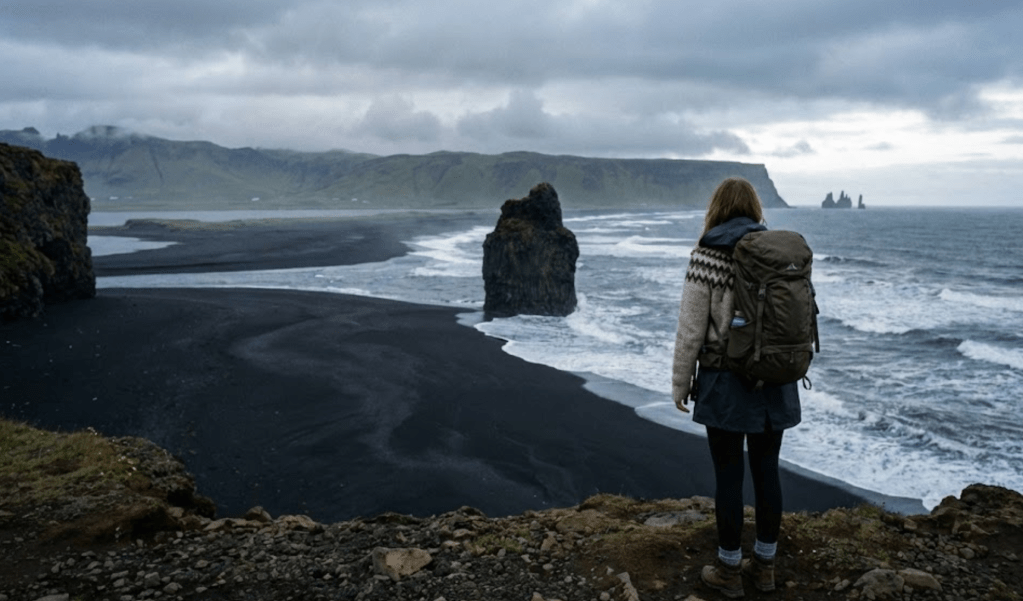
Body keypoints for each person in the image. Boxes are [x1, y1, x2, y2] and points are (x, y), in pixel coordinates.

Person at [671, 177, 801, 598]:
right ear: (754, 208)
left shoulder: (706, 255)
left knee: (728, 475)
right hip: (773, 379)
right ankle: (763, 568)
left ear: (716, 209)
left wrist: (680, 383)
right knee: (767, 470)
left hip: (724, 381)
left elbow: (691, 330)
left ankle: (729, 571)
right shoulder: (778, 256)